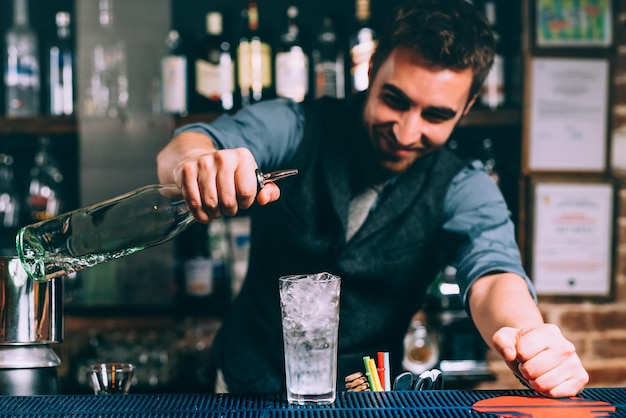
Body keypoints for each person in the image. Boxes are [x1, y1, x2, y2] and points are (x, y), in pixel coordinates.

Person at [157, 0, 589, 397]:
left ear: (468, 106)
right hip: (240, 385)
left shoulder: (464, 186)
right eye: (394, 100)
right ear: (373, 67)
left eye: (436, 115)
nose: (405, 132)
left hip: (368, 397)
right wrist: (196, 163)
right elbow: (190, 145)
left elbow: (494, 276)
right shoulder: (296, 125)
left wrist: (528, 337)